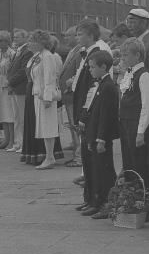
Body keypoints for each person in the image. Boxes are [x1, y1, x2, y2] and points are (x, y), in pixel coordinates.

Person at [72, 20, 111, 208]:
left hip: (92, 117)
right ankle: (89, 198)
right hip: (86, 114)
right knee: (88, 161)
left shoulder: (96, 53)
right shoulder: (87, 54)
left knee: (95, 162)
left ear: (90, 35)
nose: (77, 38)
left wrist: (83, 115)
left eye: (80, 34)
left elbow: (90, 88)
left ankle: (97, 199)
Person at [78, 50, 119, 218]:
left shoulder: (108, 86)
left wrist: (101, 138)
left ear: (104, 67)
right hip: (92, 132)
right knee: (92, 168)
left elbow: (106, 115)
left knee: (103, 171)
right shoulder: (98, 84)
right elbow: (91, 107)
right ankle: (93, 199)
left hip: (101, 136)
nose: (90, 70)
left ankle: (104, 203)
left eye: (93, 67)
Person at [117, 38, 149, 192]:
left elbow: (146, 106)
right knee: (128, 162)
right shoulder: (129, 73)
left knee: (138, 162)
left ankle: (141, 196)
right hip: (125, 122)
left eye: (126, 55)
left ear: (137, 55)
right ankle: (130, 195)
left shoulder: (144, 75)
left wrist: (140, 132)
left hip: (136, 123)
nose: (122, 58)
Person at [26, 30, 63, 169]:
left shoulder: (47, 56)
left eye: (33, 41)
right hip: (38, 95)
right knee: (43, 127)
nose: (30, 43)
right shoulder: (38, 56)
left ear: (41, 42)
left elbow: (50, 78)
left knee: (48, 126)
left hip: (45, 97)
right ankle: (49, 156)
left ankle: (50, 157)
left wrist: (48, 97)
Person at [57, 26, 83, 168]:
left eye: (68, 35)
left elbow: (78, 73)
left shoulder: (80, 52)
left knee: (75, 126)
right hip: (68, 96)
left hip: (72, 95)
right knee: (72, 127)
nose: (65, 38)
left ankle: (79, 157)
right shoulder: (72, 51)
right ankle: (76, 153)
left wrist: (68, 86)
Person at [6, 29, 32, 152]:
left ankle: (22, 143)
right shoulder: (18, 51)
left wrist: (10, 81)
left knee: (22, 117)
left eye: (17, 37)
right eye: (14, 37)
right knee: (16, 117)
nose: (15, 39)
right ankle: (17, 142)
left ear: (25, 38)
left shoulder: (27, 51)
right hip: (14, 88)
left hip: (21, 88)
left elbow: (23, 71)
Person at [0, 31, 15, 149]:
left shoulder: (12, 54)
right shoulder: (0, 53)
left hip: (8, 86)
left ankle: (12, 140)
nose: (0, 43)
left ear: (7, 41)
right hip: (0, 87)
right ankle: (6, 138)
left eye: (2, 40)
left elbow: (13, 71)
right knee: (3, 114)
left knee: (10, 114)